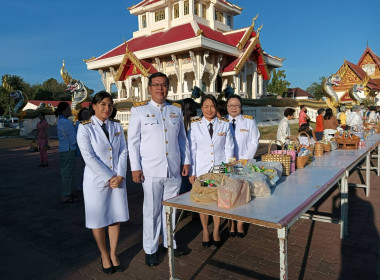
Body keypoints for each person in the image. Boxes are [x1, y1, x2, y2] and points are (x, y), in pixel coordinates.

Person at [128, 72, 190, 266]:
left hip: (172, 169)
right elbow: (133, 142)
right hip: (150, 169)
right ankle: (151, 248)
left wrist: (186, 161)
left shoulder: (176, 110)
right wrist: (135, 168)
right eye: (156, 85)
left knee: (170, 209)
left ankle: (169, 243)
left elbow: (182, 139)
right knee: (152, 210)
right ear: (149, 88)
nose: (160, 88)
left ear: (168, 87)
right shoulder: (139, 111)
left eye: (163, 85)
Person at [77, 91, 129, 275]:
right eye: (103, 105)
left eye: (110, 105)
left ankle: (114, 253)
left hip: (117, 178)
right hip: (96, 181)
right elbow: (89, 157)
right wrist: (109, 176)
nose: (107, 108)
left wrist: (121, 174)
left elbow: (123, 150)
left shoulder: (115, 125)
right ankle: (104, 254)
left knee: (115, 217)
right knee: (98, 220)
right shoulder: (85, 128)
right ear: (94, 106)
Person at [188, 94, 234, 248]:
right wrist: (192, 172)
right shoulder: (195, 125)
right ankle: (205, 231)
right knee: (203, 202)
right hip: (201, 171)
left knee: (217, 201)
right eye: (206, 106)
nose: (209, 110)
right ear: (201, 108)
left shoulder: (225, 124)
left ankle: (215, 231)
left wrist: (228, 169)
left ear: (216, 107)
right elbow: (191, 150)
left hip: (220, 171)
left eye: (212, 106)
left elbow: (229, 148)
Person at [226, 94, 260, 238]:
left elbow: (254, 141)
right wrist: (228, 161)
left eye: (237, 105)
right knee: (228, 192)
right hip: (227, 163)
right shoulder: (221, 122)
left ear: (241, 107)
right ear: (227, 107)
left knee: (242, 192)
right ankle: (230, 222)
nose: (234, 108)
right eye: (231, 105)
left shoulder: (249, 122)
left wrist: (245, 160)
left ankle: (239, 221)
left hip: (243, 164)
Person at [55, 102, 78, 203]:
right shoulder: (66, 122)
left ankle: (67, 192)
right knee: (68, 172)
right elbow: (72, 137)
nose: (70, 111)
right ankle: (66, 194)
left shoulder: (61, 120)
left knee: (66, 172)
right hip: (69, 149)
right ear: (63, 111)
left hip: (64, 149)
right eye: (68, 109)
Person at [180, 98, 197, 194]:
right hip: (196, 157)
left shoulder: (181, 121)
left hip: (184, 157)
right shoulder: (198, 121)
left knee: (184, 185)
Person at [74, 107, 91, 192]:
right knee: (84, 167)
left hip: (91, 149)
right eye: (84, 113)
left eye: (87, 113)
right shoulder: (78, 124)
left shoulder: (91, 124)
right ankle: (81, 184)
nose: (86, 115)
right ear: (80, 115)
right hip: (81, 149)